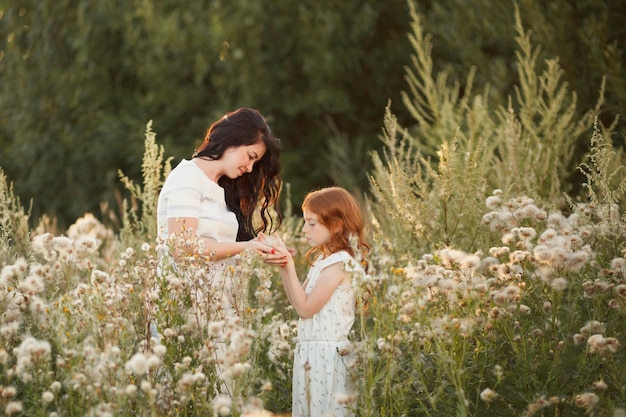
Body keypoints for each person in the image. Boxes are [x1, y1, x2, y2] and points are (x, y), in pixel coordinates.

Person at [260, 186, 369, 417]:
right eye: (304, 222)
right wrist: (283, 263)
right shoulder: (324, 260)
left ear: (337, 225)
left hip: (328, 359)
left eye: (312, 223)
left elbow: (305, 309)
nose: (304, 229)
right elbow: (299, 301)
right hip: (311, 354)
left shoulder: (340, 263)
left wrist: (288, 264)